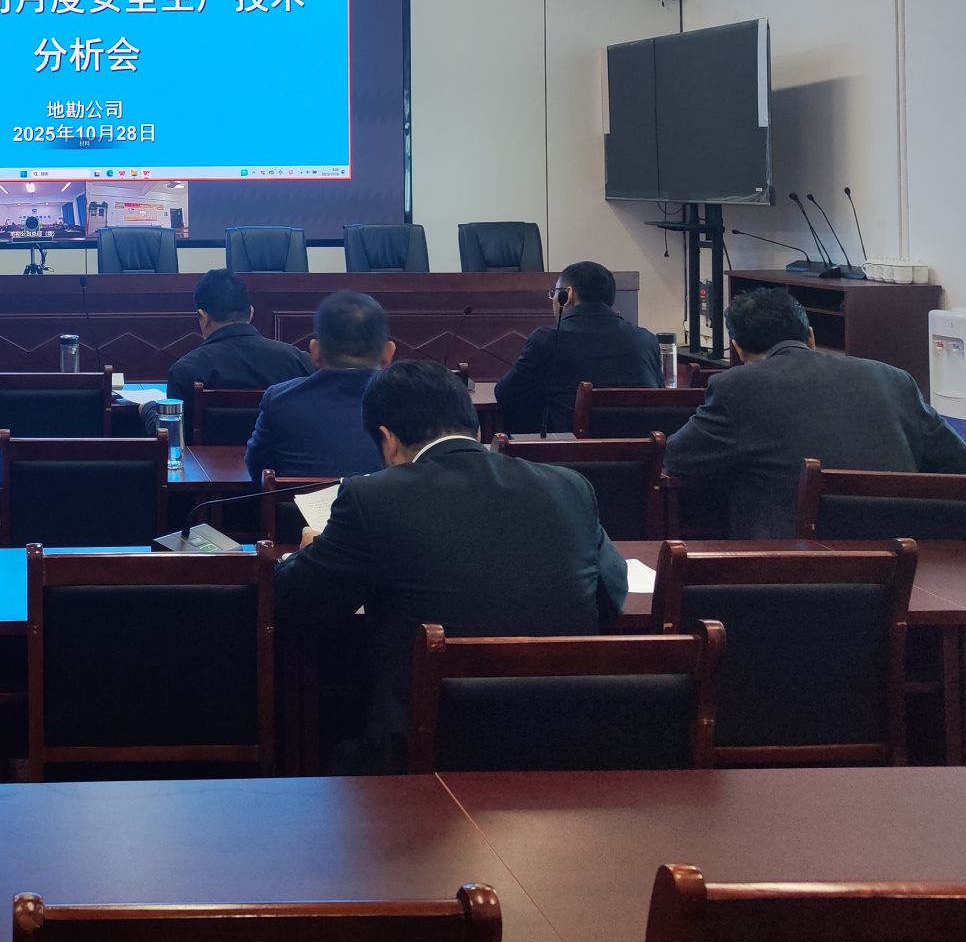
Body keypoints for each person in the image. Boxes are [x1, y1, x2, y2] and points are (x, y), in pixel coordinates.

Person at [275, 361, 627, 773]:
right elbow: (611, 594)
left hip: (423, 761)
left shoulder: (371, 498)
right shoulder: (569, 486)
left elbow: (294, 602)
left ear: (388, 439)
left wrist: (309, 553)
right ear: (475, 429)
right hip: (563, 752)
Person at [664, 288, 966, 538]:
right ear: (811, 337)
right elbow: (964, 464)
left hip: (792, 573)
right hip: (902, 563)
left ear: (737, 348)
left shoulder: (735, 386)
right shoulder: (894, 378)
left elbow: (678, 458)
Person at [493, 259, 662, 438]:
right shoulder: (647, 340)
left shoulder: (548, 339)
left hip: (571, 453)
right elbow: (660, 398)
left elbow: (505, 393)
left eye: (554, 293)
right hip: (639, 453)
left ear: (568, 294)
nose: (552, 300)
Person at [244, 290, 394, 483]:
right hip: (389, 503)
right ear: (388, 353)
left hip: (300, 504)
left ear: (314, 352)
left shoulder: (280, 399)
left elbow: (258, 470)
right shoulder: (413, 401)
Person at [163, 268, 313, 404]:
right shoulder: (299, 361)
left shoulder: (185, 371)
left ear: (203, 317)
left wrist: (151, 410)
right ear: (251, 312)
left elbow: (175, 425)